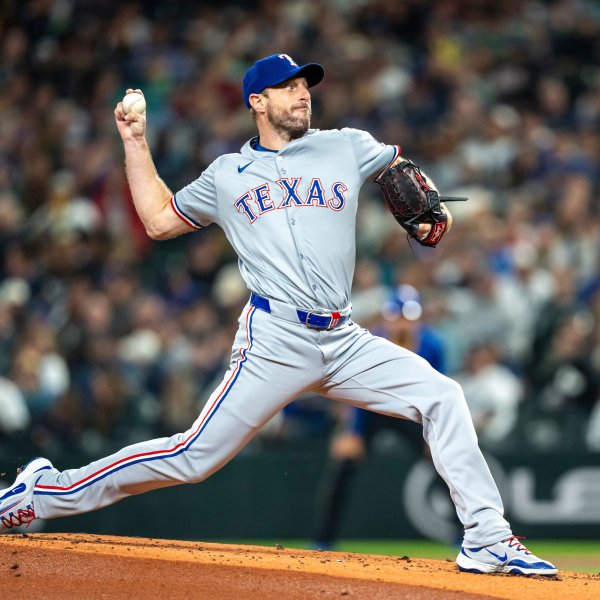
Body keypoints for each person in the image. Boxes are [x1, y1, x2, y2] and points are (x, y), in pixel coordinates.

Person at [0, 53, 556, 576]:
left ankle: (486, 536)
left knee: (443, 396)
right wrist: (135, 141)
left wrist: (432, 211)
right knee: (193, 458)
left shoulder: (345, 145)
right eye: (287, 87)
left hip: (344, 338)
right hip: (274, 339)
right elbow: (158, 222)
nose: (302, 94)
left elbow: (407, 177)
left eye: (305, 86)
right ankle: (43, 491)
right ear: (257, 103)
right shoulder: (226, 175)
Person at [312, 284, 460, 549]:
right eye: (396, 316)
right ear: (386, 317)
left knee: (443, 463)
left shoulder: (432, 345)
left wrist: (433, 435)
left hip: (412, 412)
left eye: (408, 317)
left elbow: (439, 392)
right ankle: (324, 539)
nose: (402, 323)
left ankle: (463, 533)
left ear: (419, 320)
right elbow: (356, 388)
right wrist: (352, 433)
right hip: (371, 410)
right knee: (344, 464)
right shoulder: (371, 341)